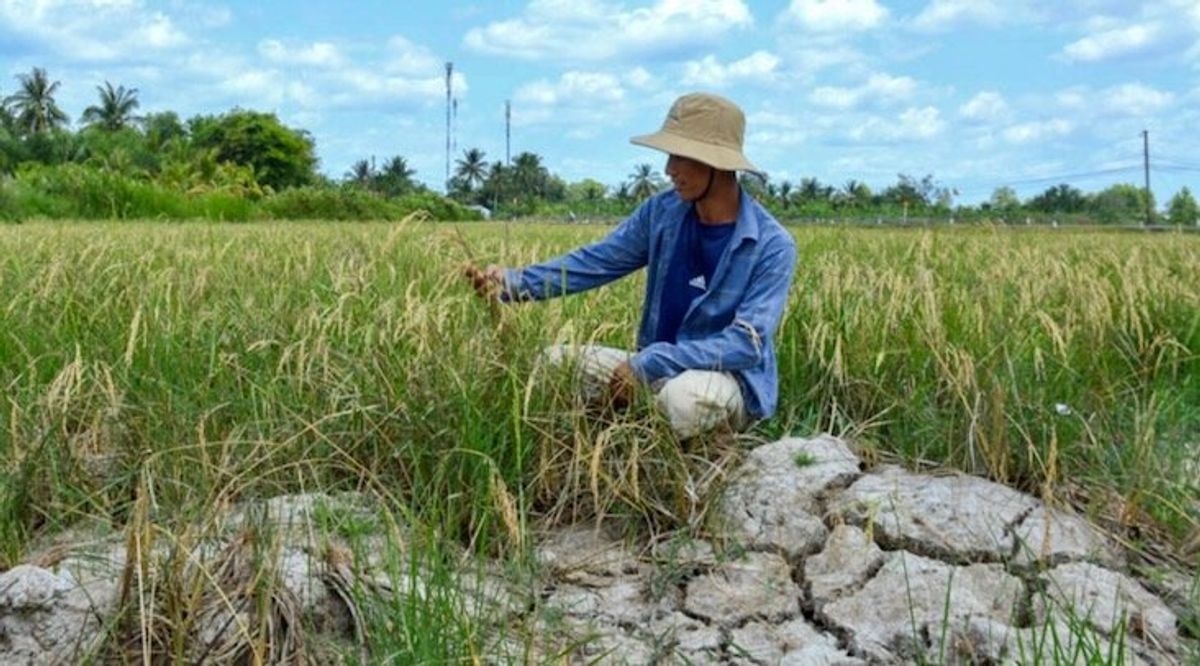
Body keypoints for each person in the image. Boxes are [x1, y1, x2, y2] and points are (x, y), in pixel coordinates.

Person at [465, 92, 796, 438]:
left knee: (682, 400)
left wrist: (648, 363)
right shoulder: (661, 213)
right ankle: (619, 437)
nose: (670, 169)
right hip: (651, 370)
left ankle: (712, 444)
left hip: (722, 380)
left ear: (718, 165)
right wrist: (515, 283)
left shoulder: (771, 245)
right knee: (552, 364)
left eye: (682, 157)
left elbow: (745, 343)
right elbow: (596, 261)